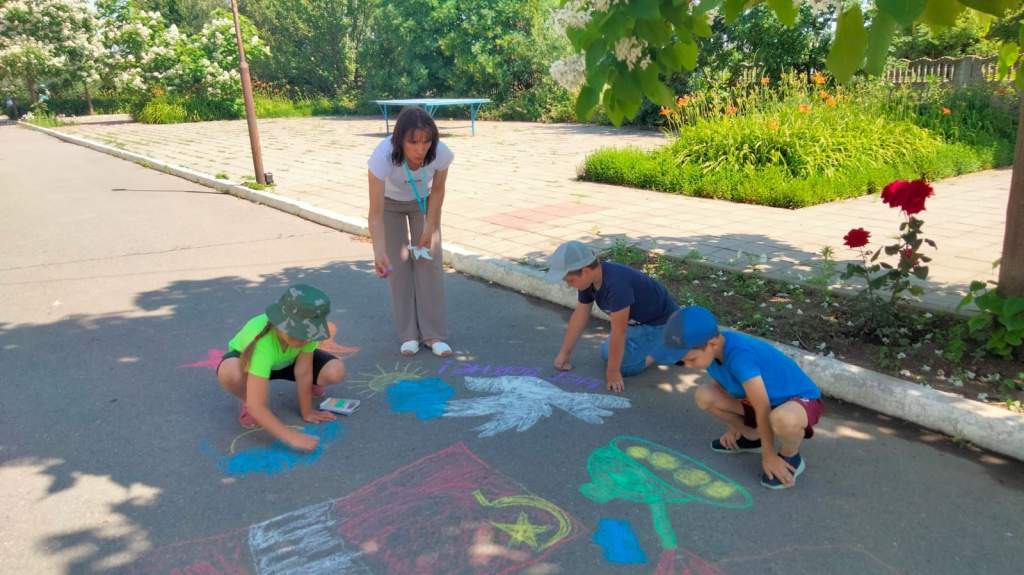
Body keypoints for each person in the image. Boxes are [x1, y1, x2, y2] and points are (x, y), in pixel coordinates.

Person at [662, 306, 824, 489]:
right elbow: (724, 385)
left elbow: (761, 407)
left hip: (798, 401)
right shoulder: (713, 351)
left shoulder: (740, 358)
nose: (688, 365)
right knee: (704, 395)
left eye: (691, 359)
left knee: (782, 418)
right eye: (684, 361)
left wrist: (768, 455)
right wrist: (733, 427)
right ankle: (751, 437)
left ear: (712, 344)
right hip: (765, 404)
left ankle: (789, 455)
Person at [367, 107, 454, 358]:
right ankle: (408, 335)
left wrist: (430, 226)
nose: (421, 148)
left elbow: (438, 191)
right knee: (398, 266)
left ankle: (434, 334)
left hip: (423, 203)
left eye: (426, 141)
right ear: (399, 140)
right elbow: (375, 213)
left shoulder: (440, 154)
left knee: (429, 262)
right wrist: (379, 251)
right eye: (413, 142)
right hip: (389, 205)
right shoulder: (381, 157)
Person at [216, 284, 345, 452]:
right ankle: (247, 397)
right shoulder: (261, 343)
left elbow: (303, 371)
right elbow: (258, 406)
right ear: (279, 323)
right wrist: (292, 438)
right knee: (229, 373)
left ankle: (314, 384)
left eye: (305, 335)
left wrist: (307, 412)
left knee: (336, 370)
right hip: (250, 366)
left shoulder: (309, 332)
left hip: (289, 361)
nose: (300, 341)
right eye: (295, 333)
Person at [544, 240, 685, 393]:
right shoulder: (589, 280)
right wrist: (564, 353)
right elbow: (580, 315)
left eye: (570, 280)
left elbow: (619, 331)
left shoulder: (617, 286)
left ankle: (670, 345)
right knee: (608, 353)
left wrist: (613, 373)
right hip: (637, 322)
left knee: (625, 367)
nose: (569, 285)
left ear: (585, 271)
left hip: (662, 323)